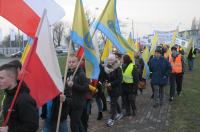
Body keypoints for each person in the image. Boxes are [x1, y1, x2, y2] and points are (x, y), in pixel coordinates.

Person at [0, 63, 39, 132]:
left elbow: (32, 127)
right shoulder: (8, 94)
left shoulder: (24, 99)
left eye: (1, 78)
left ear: (12, 77)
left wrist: (9, 130)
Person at [66, 54, 89, 132]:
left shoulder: (81, 74)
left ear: (78, 62)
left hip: (78, 103)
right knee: (78, 122)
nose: (71, 63)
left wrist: (73, 85)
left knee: (74, 124)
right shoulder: (68, 73)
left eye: (73, 62)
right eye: (69, 62)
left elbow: (85, 88)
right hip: (70, 102)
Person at [104, 54, 123, 127]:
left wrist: (111, 84)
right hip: (110, 89)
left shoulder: (118, 68)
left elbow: (119, 80)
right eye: (109, 60)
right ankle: (120, 113)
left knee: (113, 104)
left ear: (115, 60)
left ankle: (112, 119)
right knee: (114, 101)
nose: (110, 61)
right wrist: (106, 81)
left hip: (116, 89)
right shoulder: (107, 68)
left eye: (111, 60)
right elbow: (107, 77)